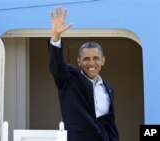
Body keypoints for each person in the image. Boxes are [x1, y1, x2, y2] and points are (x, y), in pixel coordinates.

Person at [48, 6, 120, 141]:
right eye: (86, 59)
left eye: (96, 58)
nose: (91, 63)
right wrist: (56, 37)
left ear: (103, 61)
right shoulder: (69, 80)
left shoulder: (108, 89)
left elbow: (110, 124)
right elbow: (57, 67)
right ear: (79, 61)